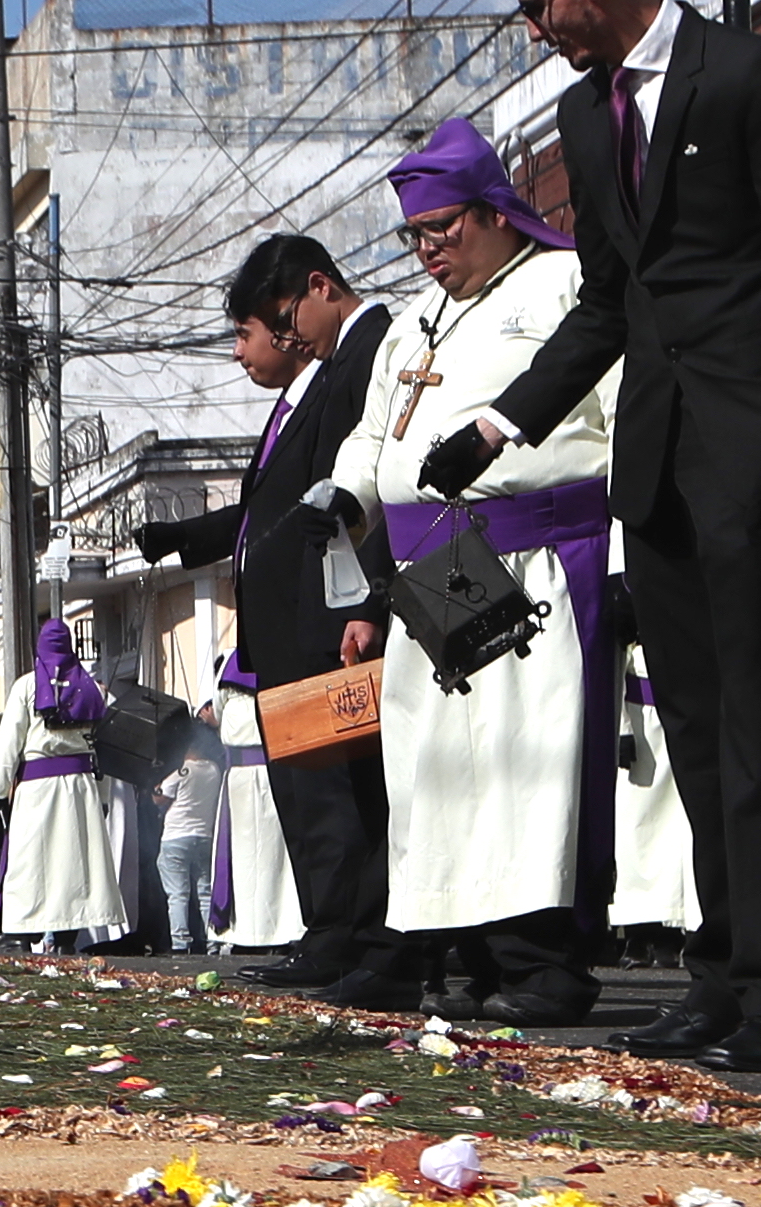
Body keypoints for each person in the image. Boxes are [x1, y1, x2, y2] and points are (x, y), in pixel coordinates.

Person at [456, 0, 761, 1068]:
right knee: (694, 729)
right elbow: (607, 304)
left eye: (539, 6)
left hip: (755, 458)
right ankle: (726, 972)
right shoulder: (589, 123)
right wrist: (500, 424)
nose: (535, 31)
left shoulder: (751, 76)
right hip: (664, 467)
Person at [340, 118, 615, 1023]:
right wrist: (348, 499)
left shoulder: (567, 282)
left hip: (534, 560)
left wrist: (622, 562)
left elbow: (619, 421)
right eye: (413, 236)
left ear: (497, 208)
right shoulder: (416, 320)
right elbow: (373, 435)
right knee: (442, 772)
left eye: (443, 229)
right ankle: (460, 957)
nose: (428, 252)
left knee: (526, 769)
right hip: (439, 568)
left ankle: (544, 964)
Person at [132, 233, 388, 991]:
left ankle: (352, 931)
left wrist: (368, 598)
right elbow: (261, 515)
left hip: (322, 618)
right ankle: (329, 925)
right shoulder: (296, 399)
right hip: (281, 630)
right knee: (303, 792)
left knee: (334, 792)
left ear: (313, 291)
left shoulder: (354, 364)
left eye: (255, 329)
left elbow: (363, 490)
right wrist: (183, 539)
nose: (255, 348)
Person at [0, 616, 123, 948]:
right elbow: (104, 751)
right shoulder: (94, 690)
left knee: (30, 864)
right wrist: (104, 795)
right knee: (73, 864)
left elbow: (9, 743)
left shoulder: (26, 686)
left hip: (37, 789)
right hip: (80, 789)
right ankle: (68, 936)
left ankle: (22, 936)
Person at [151, 703, 224, 952]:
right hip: (204, 835)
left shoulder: (182, 771)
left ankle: (181, 942)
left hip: (176, 837)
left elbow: (159, 798)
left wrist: (156, 783)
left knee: (178, 894)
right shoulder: (214, 770)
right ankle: (213, 940)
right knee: (205, 892)